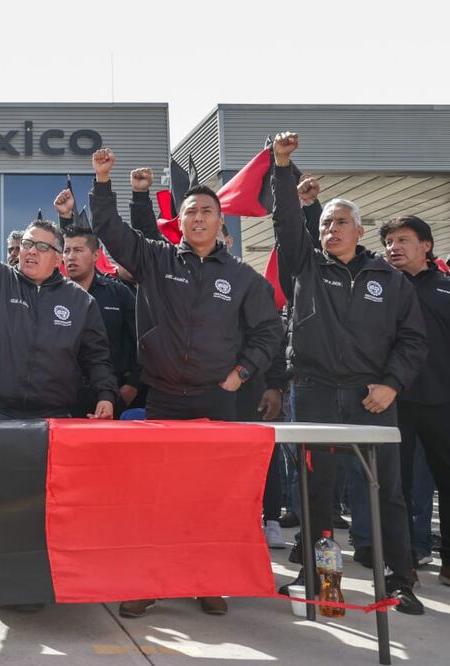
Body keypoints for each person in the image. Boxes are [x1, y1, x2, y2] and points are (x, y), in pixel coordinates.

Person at [89, 148, 282, 617]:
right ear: (180, 220)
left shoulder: (242, 277)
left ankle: (207, 581)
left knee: (210, 499)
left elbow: (269, 330)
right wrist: (102, 181)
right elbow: (112, 234)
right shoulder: (157, 259)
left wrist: (242, 373)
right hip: (167, 400)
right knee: (158, 499)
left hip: (217, 401)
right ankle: (149, 583)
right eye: (191, 211)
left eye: (207, 212)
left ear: (222, 223)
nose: (198, 218)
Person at [271, 132, 426, 614]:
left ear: (359, 230)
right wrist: (282, 168)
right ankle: (316, 575)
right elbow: (286, 225)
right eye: (325, 224)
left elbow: (412, 340)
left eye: (340, 223)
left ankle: (400, 580)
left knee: (388, 494)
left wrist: (392, 384)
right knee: (315, 491)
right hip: (314, 392)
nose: (330, 230)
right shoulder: (304, 268)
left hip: (371, 397)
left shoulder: (391, 279)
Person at [0, 171, 116, 420]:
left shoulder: (80, 301)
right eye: (27, 244)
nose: (31, 251)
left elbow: (97, 357)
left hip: (54, 417)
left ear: (59, 258)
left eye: (42, 247)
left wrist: (106, 395)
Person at [380, 215, 450, 585]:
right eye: (389, 241)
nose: (394, 247)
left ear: (426, 245)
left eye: (403, 239)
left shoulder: (445, 288)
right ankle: (402, 561)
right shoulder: (380, 289)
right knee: (397, 486)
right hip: (394, 402)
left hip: (442, 402)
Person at [55, 216, 140, 417]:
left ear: (95, 255)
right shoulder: (53, 295)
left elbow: (140, 341)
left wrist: (133, 385)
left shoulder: (119, 294)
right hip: (62, 396)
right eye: (66, 251)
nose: (70, 257)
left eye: (78, 250)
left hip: (112, 393)